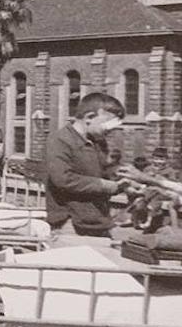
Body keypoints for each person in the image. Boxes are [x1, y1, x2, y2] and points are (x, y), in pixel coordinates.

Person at [45, 92, 133, 238]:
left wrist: (124, 184)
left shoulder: (98, 141)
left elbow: (105, 172)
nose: (111, 130)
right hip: (70, 224)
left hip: (99, 221)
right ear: (89, 117)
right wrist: (106, 185)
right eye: (108, 124)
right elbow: (63, 179)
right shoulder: (60, 140)